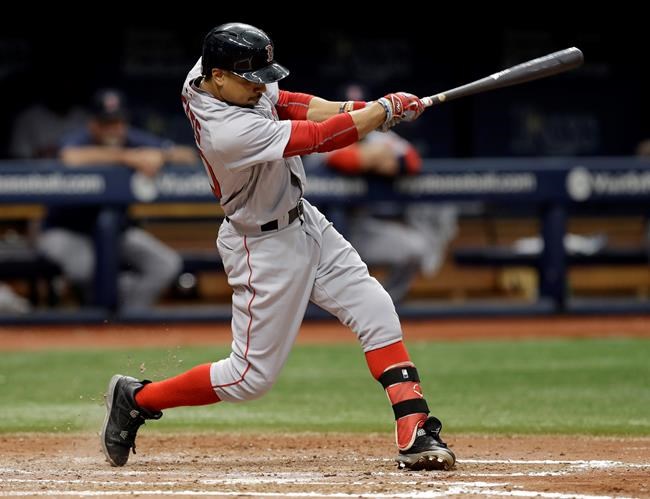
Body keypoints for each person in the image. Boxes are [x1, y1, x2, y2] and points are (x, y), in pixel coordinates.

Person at [100, 22, 455, 472]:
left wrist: (364, 109)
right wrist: (380, 113)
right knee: (249, 379)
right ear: (220, 78)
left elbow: (288, 102)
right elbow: (319, 138)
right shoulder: (226, 131)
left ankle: (414, 427)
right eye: (251, 80)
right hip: (260, 245)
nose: (260, 87)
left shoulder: (217, 76)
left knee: (375, 307)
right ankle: (137, 398)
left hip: (304, 219)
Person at [37, 89, 196, 311]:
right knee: (88, 269)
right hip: (65, 230)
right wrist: (127, 157)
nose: (114, 130)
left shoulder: (132, 139)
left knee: (166, 264)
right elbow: (70, 157)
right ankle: (99, 320)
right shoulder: (82, 139)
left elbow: (186, 155)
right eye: (106, 123)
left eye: (118, 122)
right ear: (93, 124)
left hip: (115, 232)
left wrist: (161, 155)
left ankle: (128, 322)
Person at [313, 85, 457, 302]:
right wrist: (371, 158)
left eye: (359, 111)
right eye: (349, 112)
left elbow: (411, 160)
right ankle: (323, 311)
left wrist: (377, 158)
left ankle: (384, 304)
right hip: (321, 234)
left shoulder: (377, 135)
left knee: (414, 249)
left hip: (363, 228)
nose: (355, 117)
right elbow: (343, 159)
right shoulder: (322, 132)